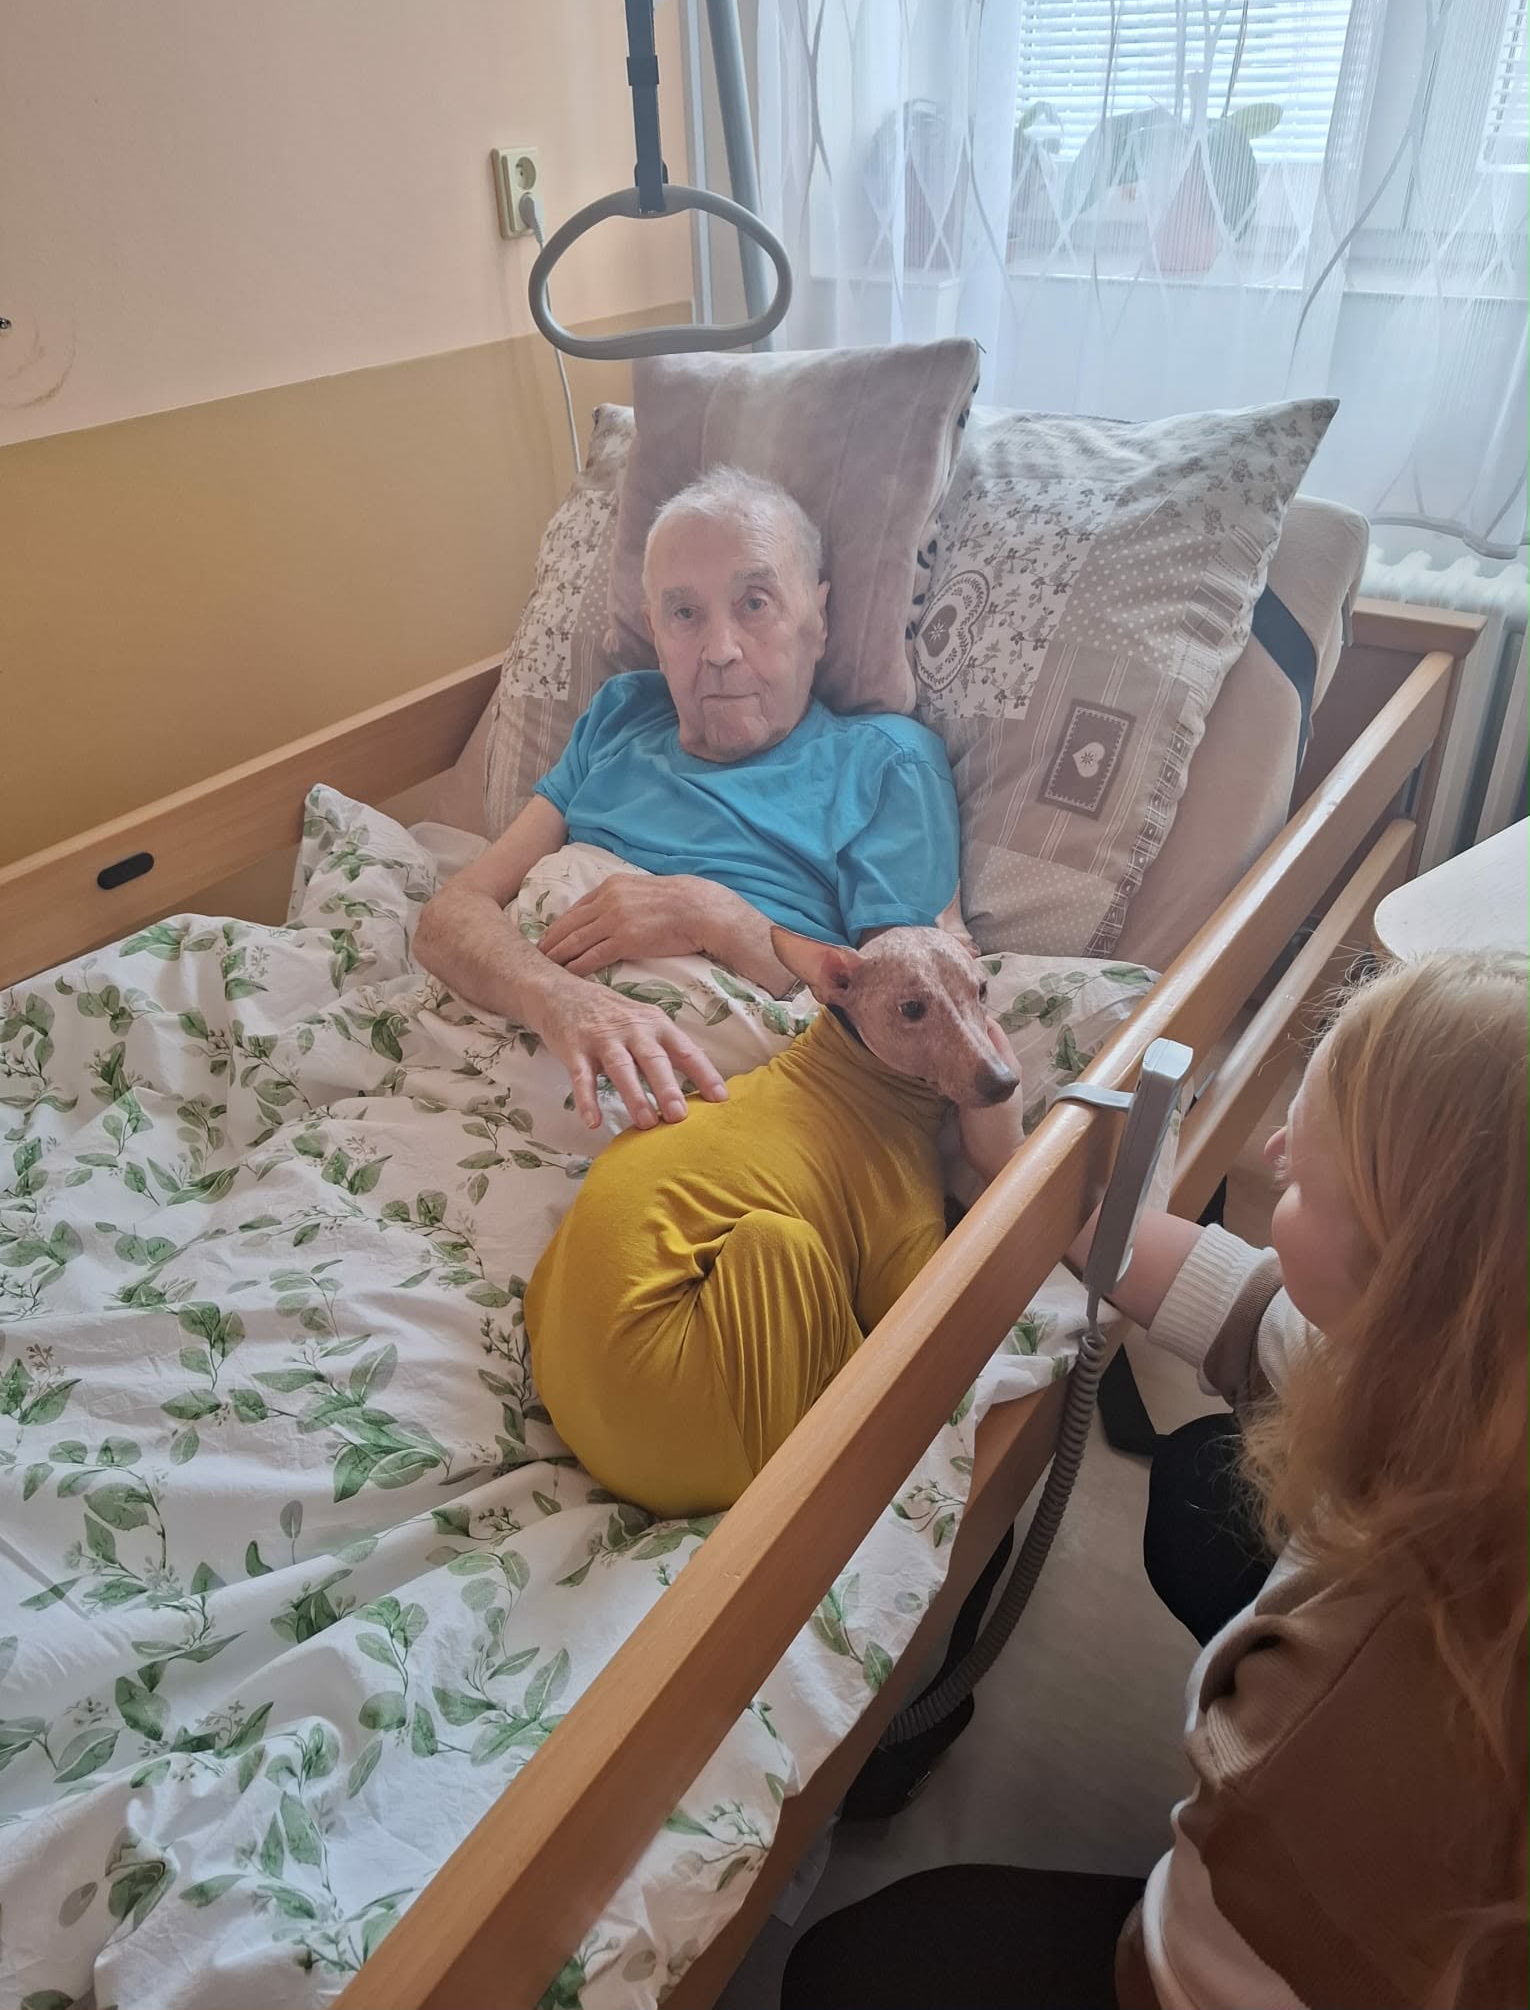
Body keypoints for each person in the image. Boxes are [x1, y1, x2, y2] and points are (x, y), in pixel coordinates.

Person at [782, 950, 1530, 2010]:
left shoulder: (1356, 1714)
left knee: (847, 1973)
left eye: (1299, 1181)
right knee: (1199, 1481)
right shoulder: (1461, 1355)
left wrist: (1181, 1922)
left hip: (1241, 1964)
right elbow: (1245, 1304)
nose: (1271, 1151)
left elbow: (1204, 1972)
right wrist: (1015, 1170)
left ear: (1402, 1274)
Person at [414, 465, 962, 1129]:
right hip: (500, 1049)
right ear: (654, 630)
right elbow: (450, 916)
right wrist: (558, 1000)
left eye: (755, 603)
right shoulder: (621, 715)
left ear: (817, 619)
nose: (720, 650)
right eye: (685, 614)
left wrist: (715, 917)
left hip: (686, 1114)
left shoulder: (886, 764)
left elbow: (906, 1022)